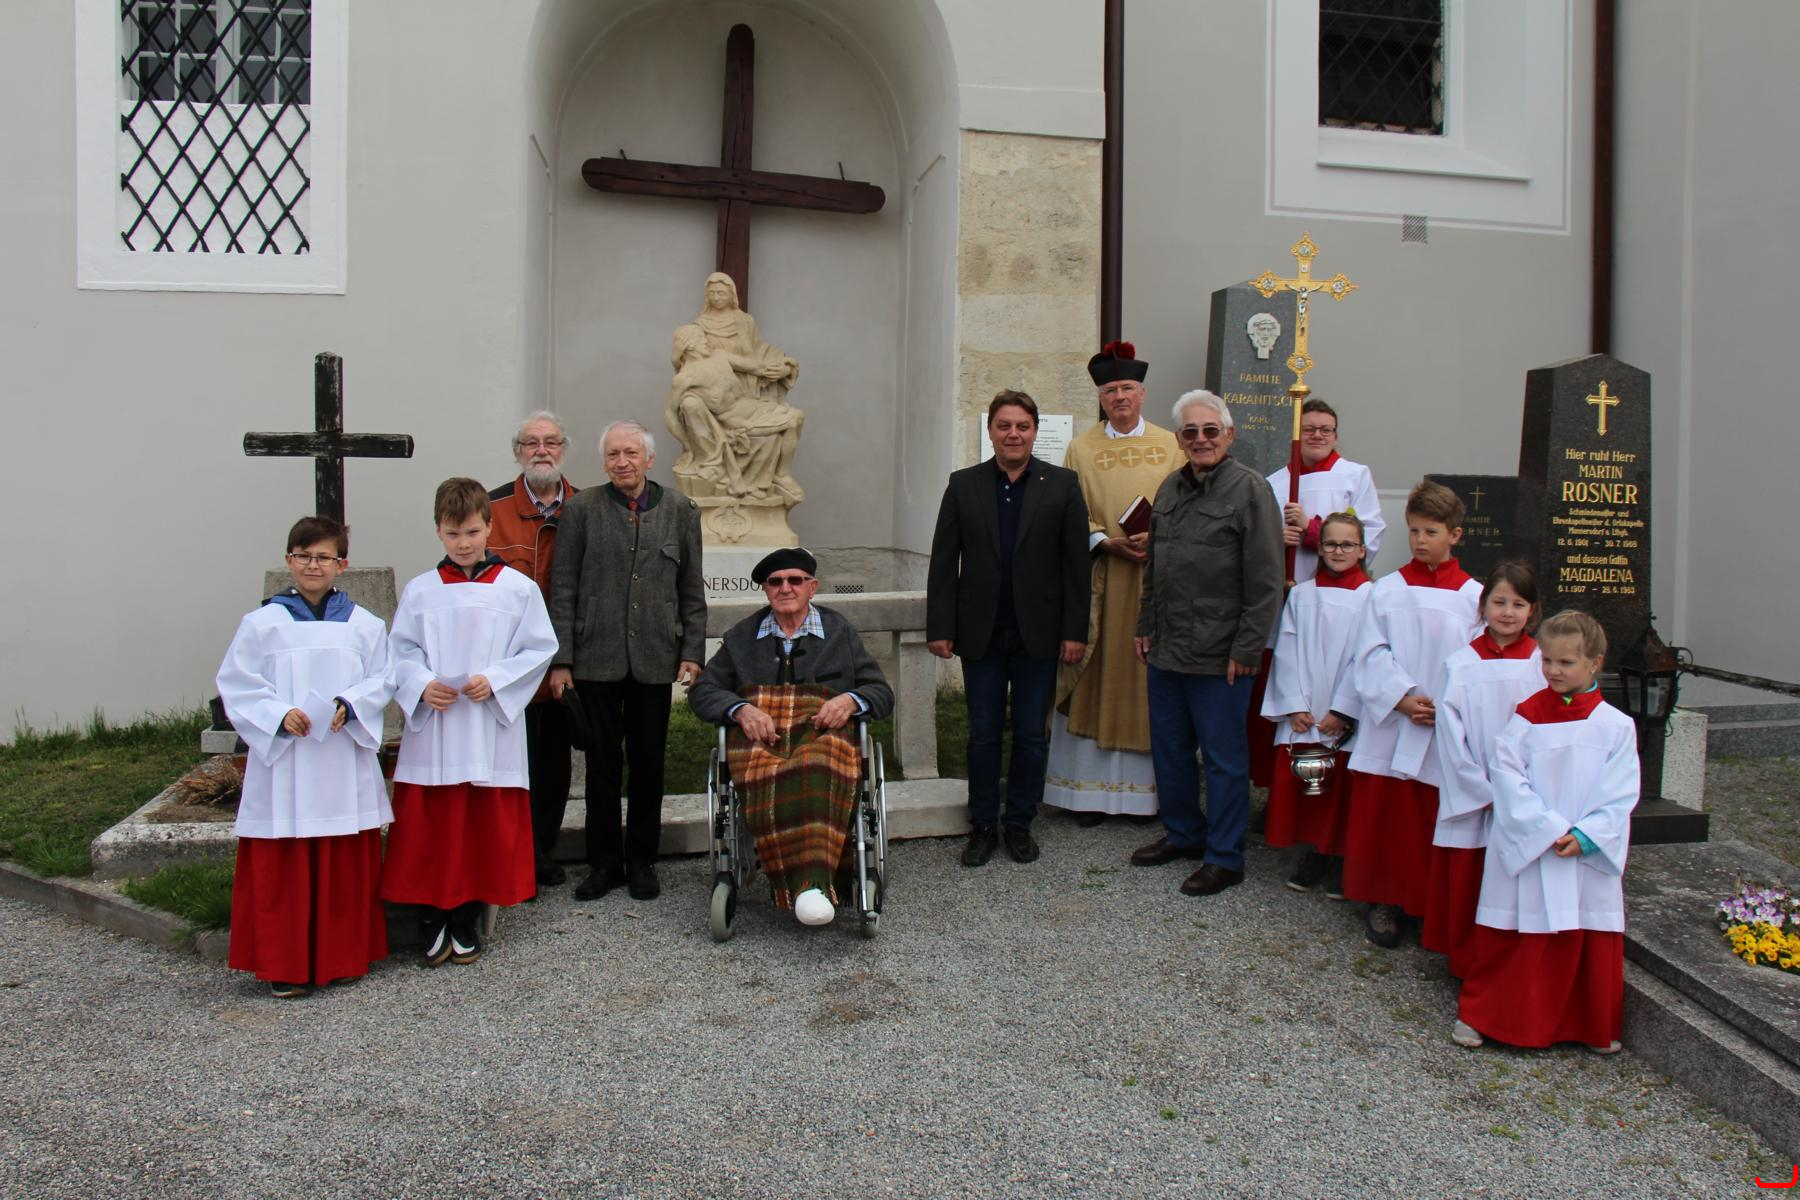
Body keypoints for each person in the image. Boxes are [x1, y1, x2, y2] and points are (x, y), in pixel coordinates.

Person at [216, 516, 394, 999]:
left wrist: (350, 704)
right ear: (288, 560)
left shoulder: (365, 626)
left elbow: (383, 679)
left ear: (342, 564)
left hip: (340, 756)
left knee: (342, 860)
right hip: (287, 762)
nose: (313, 566)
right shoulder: (261, 624)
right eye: (304, 556)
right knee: (286, 861)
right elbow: (237, 683)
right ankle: (286, 963)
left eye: (324, 557)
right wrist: (278, 714)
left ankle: (341, 956)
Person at [382, 479, 558, 966]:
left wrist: (496, 680)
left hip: (487, 727)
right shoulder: (421, 590)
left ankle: (466, 916)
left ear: (489, 528)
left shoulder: (517, 589)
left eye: (473, 532)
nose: (464, 543)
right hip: (436, 727)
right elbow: (399, 652)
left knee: (478, 825)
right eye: (453, 533)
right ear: (438, 531)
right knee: (433, 827)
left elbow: (539, 648)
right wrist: (421, 684)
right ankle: (431, 916)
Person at [1453, 611, 1638, 1053]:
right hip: (1533, 844)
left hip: (1582, 850)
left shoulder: (1615, 726)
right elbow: (1506, 777)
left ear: (1595, 663)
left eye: (1566, 663)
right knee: (1512, 934)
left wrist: (1588, 835)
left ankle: (1586, 1024)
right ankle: (1483, 1016)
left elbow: (1621, 792)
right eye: (1547, 661)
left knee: (1583, 928)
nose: (1553, 671)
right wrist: (1548, 829)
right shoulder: (1526, 717)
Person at [1130, 390, 1285, 896]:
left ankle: (1224, 856)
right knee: (1170, 750)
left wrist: (1247, 648)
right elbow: (1156, 566)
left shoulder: (1251, 490)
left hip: (1221, 655)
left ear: (1229, 435)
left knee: (1222, 759)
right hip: (1168, 647)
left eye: (1210, 430)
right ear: (1180, 439)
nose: (1201, 439)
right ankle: (1183, 833)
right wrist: (1145, 623)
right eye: (1191, 432)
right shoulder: (1170, 488)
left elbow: (1266, 580)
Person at [689, 548, 894, 925]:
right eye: (776, 582)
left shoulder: (840, 633)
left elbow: (880, 692)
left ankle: (811, 886)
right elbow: (704, 692)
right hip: (762, 735)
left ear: (812, 587)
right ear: (766, 590)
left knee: (814, 767)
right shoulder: (741, 637)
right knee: (770, 771)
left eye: (795, 580)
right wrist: (741, 709)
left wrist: (850, 700)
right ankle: (806, 886)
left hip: (821, 734)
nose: (785, 588)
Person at [927, 390, 1090, 867]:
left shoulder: (1062, 485)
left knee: (1031, 735)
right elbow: (944, 561)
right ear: (991, 432)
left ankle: (1019, 822)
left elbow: (1076, 565)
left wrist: (1075, 631)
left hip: (1039, 632)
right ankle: (982, 824)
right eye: (1004, 426)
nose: (1013, 434)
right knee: (982, 733)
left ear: (1035, 431)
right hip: (981, 632)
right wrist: (940, 625)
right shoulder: (964, 484)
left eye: (1022, 426)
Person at [547, 420, 705, 902]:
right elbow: (563, 587)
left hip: (654, 657)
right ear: (604, 461)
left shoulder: (680, 510)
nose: (622, 462)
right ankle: (604, 864)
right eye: (613, 454)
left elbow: (691, 588)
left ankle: (641, 862)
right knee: (601, 765)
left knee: (648, 763)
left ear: (649, 459)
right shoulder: (581, 510)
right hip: (595, 657)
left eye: (631, 453)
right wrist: (561, 661)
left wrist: (692, 651)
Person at [1340, 479, 1482, 948]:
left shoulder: (1475, 598)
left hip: (1443, 723)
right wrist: (1400, 697)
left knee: (1429, 818)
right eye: (1415, 530)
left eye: (1432, 532)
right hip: (1395, 722)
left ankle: (1427, 903)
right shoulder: (1387, 590)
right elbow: (1369, 652)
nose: (1421, 540)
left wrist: (1449, 706)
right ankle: (1384, 900)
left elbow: (1478, 663)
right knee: (1390, 818)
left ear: (1455, 535)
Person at [1044, 340, 1179, 825]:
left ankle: (1142, 797)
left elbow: (1186, 504)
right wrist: (1103, 540)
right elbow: (1067, 513)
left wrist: (1158, 537)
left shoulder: (1172, 445)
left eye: (1126, 388)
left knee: (1146, 681)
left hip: (1154, 581)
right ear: (1100, 398)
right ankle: (1087, 795)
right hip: (1102, 577)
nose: (1118, 397)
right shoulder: (1081, 449)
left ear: (1142, 393)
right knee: (1095, 677)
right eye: (1109, 391)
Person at [1249, 398, 1386, 790]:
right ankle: (1276, 789)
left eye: (1325, 429)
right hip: (1287, 604)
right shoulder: (1275, 482)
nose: (1317, 436)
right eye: (1308, 429)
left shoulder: (1354, 476)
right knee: (1284, 688)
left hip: (1339, 604)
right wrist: (1278, 539)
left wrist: (1312, 530)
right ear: (1296, 435)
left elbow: (1369, 537)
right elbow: (1255, 541)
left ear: (1336, 435)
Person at [1426, 560, 1542, 978]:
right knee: (1470, 879)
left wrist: (1520, 794)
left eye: (1518, 604)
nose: (1507, 612)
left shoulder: (1543, 665)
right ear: (1482, 606)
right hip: (1476, 795)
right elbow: (1449, 736)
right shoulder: (1460, 664)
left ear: (1533, 611)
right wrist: (1484, 791)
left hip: (1526, 792)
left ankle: (1509, 968)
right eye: (1499, 602)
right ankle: (1466, 963)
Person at [488, 411, 580, 888]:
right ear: (517, 452)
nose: (541, 450)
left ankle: (541, 851)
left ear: (564, 449)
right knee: (508, 765)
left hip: (563, 664)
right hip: (505, 666)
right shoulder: (491, 510)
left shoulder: (586, 507)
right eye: (531, 443)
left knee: (554, 765)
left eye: (551, 442)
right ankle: (511, 857)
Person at [1260, 511, 1371, 899]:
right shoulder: (1302, 595)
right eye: (1330, 544)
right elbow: (1286, 650)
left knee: (1344, 789)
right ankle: (1316, 851)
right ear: (1319, 548)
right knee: (1312, 785)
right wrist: (1293, 704)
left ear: (1362, 550)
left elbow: (1369, 658)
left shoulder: (1372, 598)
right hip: (1306, 710)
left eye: (1347, 544)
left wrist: (1344, 710)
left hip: (1344, 713)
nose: (1338, 551)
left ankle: (1340, 856)